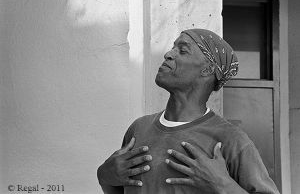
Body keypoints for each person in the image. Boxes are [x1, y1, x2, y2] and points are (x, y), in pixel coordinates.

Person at [97, 29, 280, 194]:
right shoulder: (138, 129)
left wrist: (223, 185)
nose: (169, 54)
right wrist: (104, 177)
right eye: (173, 48)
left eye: (182, 51)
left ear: (207, 69)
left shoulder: (230, 140)